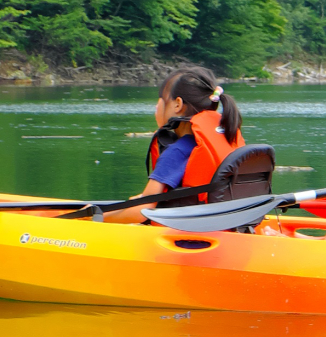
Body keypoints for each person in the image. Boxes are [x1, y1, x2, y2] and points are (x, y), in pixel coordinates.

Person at [104, 66, 245, 223]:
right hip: (228, 224)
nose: (157, 107)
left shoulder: (177, 152)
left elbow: (144, 210)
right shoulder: (227, 139)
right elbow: (149, 198)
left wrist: (94, 217)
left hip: (189, 237)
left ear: (177, 104)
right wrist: (144, 198)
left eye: (162, 101)